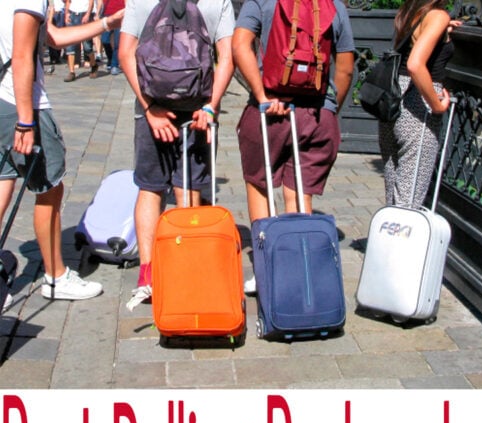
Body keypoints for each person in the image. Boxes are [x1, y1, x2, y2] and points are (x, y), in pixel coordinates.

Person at [0, 0, 123, 306]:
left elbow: (51, 36)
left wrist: (108, 23)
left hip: (2, 101)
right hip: (20, 103)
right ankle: (55, 276)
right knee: (50, 188)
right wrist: (26, 122)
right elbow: (21, 56)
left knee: (3, 182)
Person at [119, 0, 235, 311]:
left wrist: (149, 108)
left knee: (150, 188)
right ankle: (184, 266)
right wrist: (211, 106)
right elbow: (227, 57)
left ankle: (148, 275)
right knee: (189, 188)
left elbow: (125, 52)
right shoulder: (217, 1)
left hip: (152, 108)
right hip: (198, 108)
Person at [232, 0, 355, 294]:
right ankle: (299, 269)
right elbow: (346, 68)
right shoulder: (334, 5)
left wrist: (261, 94)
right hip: (317, 113)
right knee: (300, 193)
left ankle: (266, 270)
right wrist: (329, 109)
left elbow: (240, 45)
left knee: (260, 184)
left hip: (270, 109)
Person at [378, 0, 453, 210]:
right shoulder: (437, 15)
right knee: (408, 199)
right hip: (418, 103)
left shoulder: (409, 11)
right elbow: (415, 64)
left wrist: (444, 28)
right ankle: (402, 241)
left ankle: (386, 239)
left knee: (393, 190)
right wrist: (437, 105)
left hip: (392, 97)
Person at [63, 0, 98, 82]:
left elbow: (91, 2)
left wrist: (88, 14)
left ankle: (93, 64)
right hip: (72, 14)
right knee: (70, 45)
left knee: (87, 46)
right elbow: (68, 1)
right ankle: (71, 72)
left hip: (84, 14)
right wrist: (67, 14)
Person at [97, 0, 125, 75]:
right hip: (107, 15)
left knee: (117, 43)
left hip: (120, 15)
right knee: (104, 40)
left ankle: (114, 65)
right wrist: (97, 13)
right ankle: (111, 58)